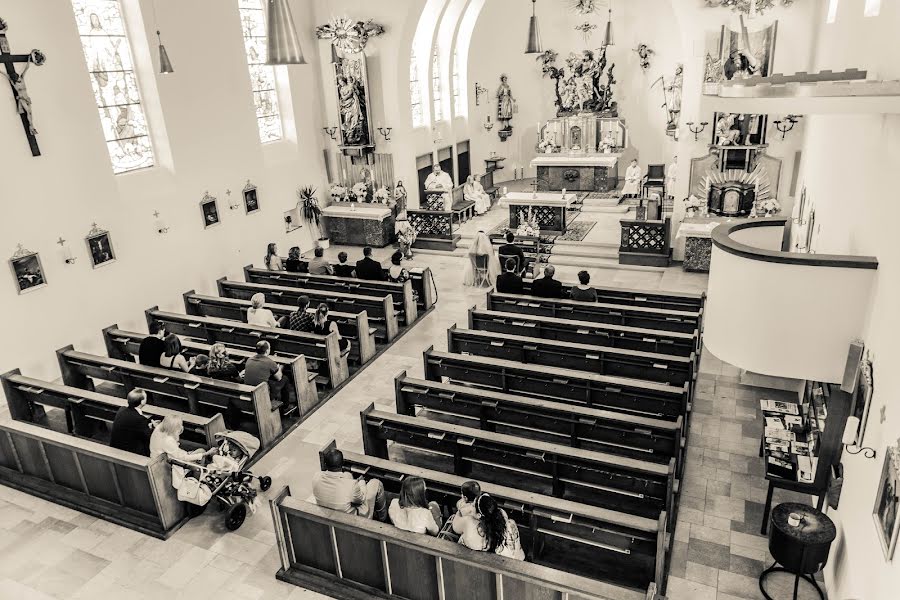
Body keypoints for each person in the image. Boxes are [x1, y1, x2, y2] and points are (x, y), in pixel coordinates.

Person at [312, 447, 387, 521]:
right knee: (376, 483)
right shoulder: (351, 485)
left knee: (348, 477)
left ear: (325, 464)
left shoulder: (316, 477)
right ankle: (382, 518)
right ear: (342, 463)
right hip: (352, 521)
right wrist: (362, 483)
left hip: (329, 516)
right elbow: (361, 499)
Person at [452, 493, 524, 560]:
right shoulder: (506, 519)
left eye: (473, 506)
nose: (471, 507)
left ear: (478, 515)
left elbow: (455, 526)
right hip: (514, 562)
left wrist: (460, 510)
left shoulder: (469, 522)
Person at [109, 389, 155, 457]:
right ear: (142, 402)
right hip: (129, 451)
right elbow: (148, 437)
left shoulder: (121, 409)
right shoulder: (140, 419)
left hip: (116, 444)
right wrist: (153, 428)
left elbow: (133, 425)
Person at [149, 415, 215, 461]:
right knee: (201, 451)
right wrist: (207, 453)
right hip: (164, 463)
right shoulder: (168, 440)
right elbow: (183, 458)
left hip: (162, 456)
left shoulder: (160, 427)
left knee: (198, 451)